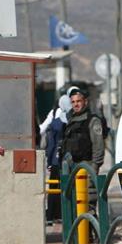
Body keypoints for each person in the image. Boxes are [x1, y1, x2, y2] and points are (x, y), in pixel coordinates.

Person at [39, 94, 72, 223]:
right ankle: (67, 213)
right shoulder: (73, 120)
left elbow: (51, 143)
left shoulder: (56, 122)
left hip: (56, 159)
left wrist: (49, 160)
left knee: (54, 187)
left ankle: (53, 213)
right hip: (70, 159)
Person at [60, 87, 105, 174]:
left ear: (85, 102)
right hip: (71, 166)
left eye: (78, 101)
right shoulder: (71, 120)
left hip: (86, 167)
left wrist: (94, 169)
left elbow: (98, 147)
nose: (76, 104)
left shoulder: (93, 120)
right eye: (73, 102)